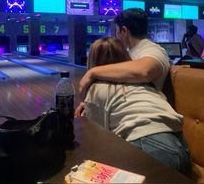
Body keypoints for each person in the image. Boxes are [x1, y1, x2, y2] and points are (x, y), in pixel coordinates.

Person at [80, 36, 191, 174]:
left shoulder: (96, 89)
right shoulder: (146, 83)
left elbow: (99, 140)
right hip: (182, 150)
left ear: (92, 60)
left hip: (152, 149)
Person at [78, 8, 170, 102]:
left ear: (124, 31)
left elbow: (144, 72)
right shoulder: (132, 51)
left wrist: (92, 72)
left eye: (117, 31)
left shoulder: (152, 49)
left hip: (145, 111)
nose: (116, 35)